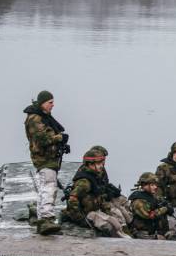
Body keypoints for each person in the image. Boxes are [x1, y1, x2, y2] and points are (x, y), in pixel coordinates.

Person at [23, 90, 68, 235]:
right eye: (50, 102)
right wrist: (59, 138)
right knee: (49, 186)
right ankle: (46, 219)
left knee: (46, 186)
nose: (53, 105)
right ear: (42, 103)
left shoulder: (41, 117)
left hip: (49, 158)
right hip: (44, 158)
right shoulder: (35, 118)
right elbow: (42, 138)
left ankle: (40, 216)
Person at [62, 146, 132, 238]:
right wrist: (80, 219)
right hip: (87, 213)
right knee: (110, 227)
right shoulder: (85, 181)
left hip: (95, 210)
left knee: (116, 223)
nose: (102, 166)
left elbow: (98, 194)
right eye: (99, 163)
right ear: (90, 164)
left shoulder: (96, 176)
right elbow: (73, 199)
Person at [128, 172, 175, 239]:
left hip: (155, 231)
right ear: (144, 185)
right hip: (143, 233)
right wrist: (165, 209)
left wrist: (168, 206)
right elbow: (149, 215)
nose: (155, 187)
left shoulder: (153, 197)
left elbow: (164, 203)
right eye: (152, 185)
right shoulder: (138, 200)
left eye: (156, 185)